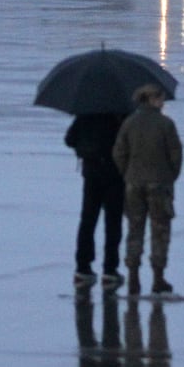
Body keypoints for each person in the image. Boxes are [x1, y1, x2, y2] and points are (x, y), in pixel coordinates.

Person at [112, 83, 182, 295]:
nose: (162, 102)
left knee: (135, 229)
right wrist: (170, 177)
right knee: (160, 230)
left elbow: (119, 152)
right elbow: (176, 156)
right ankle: (158, 277)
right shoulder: (166, 124)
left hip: (133, 182)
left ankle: (133, 276)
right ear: (151, 99)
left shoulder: (129, 123)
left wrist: (127, 173)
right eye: (160, 98)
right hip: (159, 182)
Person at [64, 67, 128, 289]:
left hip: (91, 173)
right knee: (113, 222)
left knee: (88, 220)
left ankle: (83, 267)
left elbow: (69, 139)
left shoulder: (86, 114)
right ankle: (110, 269)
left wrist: (85, 149)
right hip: (115, 174)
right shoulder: (122, 114)